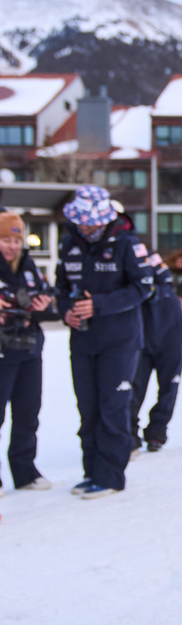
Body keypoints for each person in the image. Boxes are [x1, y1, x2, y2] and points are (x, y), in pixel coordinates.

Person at [54, 185, 153, 500]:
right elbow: (59, 289)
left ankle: (110, 476)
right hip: (82, 342)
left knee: (113, 408)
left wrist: (99, 304)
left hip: (120, 342)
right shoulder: (68, 245)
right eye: (82, 221)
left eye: (92, 221)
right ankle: (91, 472)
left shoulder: (126, 244)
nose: (87, 227)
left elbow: (143, 288)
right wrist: (64, 311)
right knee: (88, 409)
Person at [0, 211, 58, 496]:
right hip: (1, 351)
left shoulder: (28, 264)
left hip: (30, 349)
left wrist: (44, 303)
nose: (11, 246)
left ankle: (25, 472)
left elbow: (46, 300)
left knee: (27, 414)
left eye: (15, 239)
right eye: (4, 239)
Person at [130, 251, 182, 455]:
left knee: (169, 388)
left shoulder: (148, 257)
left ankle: (157, 430)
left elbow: (165, 280)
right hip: (142, 338)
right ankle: (130, 433)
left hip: (172, 335)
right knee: (134, 388)